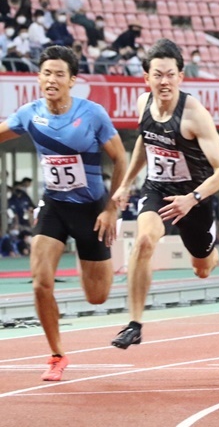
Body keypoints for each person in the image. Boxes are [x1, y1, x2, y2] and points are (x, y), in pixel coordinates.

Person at [0, 45, 128, 381]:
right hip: (55, 206)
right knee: (41, 282)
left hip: (92, 210)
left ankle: (85, 253)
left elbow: (121, 160)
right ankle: (57, 355)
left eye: (59, 74)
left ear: (73, 80)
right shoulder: (29, 114)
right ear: (39, 78)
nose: (52, 79)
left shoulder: (93, 114)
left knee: (97, 297)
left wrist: (111, 209)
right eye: (46, 73)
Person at [110, 38, 219, 349]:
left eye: (170, 74)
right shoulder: (143, 104)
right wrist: (125, 183)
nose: (163, 81)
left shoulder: (194, 115)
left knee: (201, 268)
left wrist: (192, 199)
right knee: (144, 240)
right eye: (157, 74)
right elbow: (144, 142)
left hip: (194, 197)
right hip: (157, 187)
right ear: (146, 77)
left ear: (181, 76)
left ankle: (211, 253)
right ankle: (134, 324)